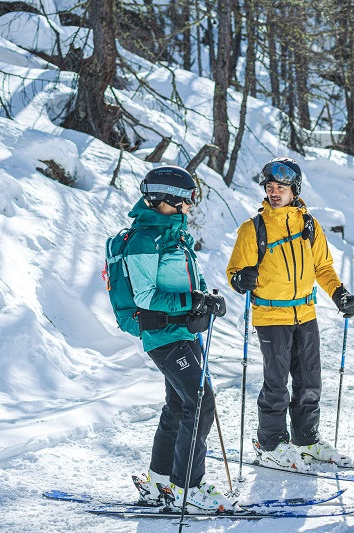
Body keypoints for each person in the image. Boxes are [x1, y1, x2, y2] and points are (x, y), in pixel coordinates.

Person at [226, 157, 354, 468]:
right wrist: (240, 279)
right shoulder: (253, 228)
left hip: (305, 314)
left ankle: (306, 440)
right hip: (271, 317)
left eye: (281, 188)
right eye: (270, 188)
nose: (274, 193)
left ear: (294, 190)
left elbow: (323, 267)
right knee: (276, 384)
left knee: (310, 382)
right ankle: (270, 445)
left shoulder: (309, 225)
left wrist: (339, 293)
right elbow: (234, 272)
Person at [124, 165, 235, 511]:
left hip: (184, 332)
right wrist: (192, 302)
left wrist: (205, 297)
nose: (190, 206)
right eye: (186, 199)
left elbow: (189, 282)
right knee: (201, 404)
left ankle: (160, 482)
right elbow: (144, 296)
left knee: (179, 405)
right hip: (163, 334)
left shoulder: (175, 235)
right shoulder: (144, 240)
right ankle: (189, 487)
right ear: (167, 198)